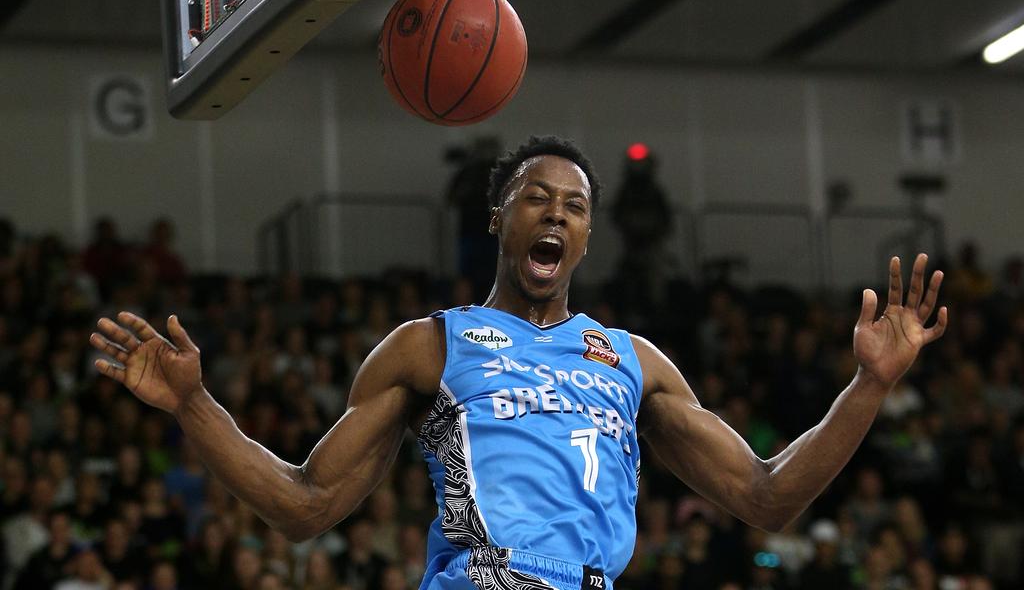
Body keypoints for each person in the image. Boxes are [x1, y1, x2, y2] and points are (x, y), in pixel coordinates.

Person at [88, 136, 948, 590]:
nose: (556, 214)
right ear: (501, 219)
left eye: (574, 207)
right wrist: (195, 406)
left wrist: (869, 386)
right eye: (537, 198)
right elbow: (305, 507)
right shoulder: (431, 343)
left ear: (584, 238)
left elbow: (768, 497)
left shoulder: (633, 362)